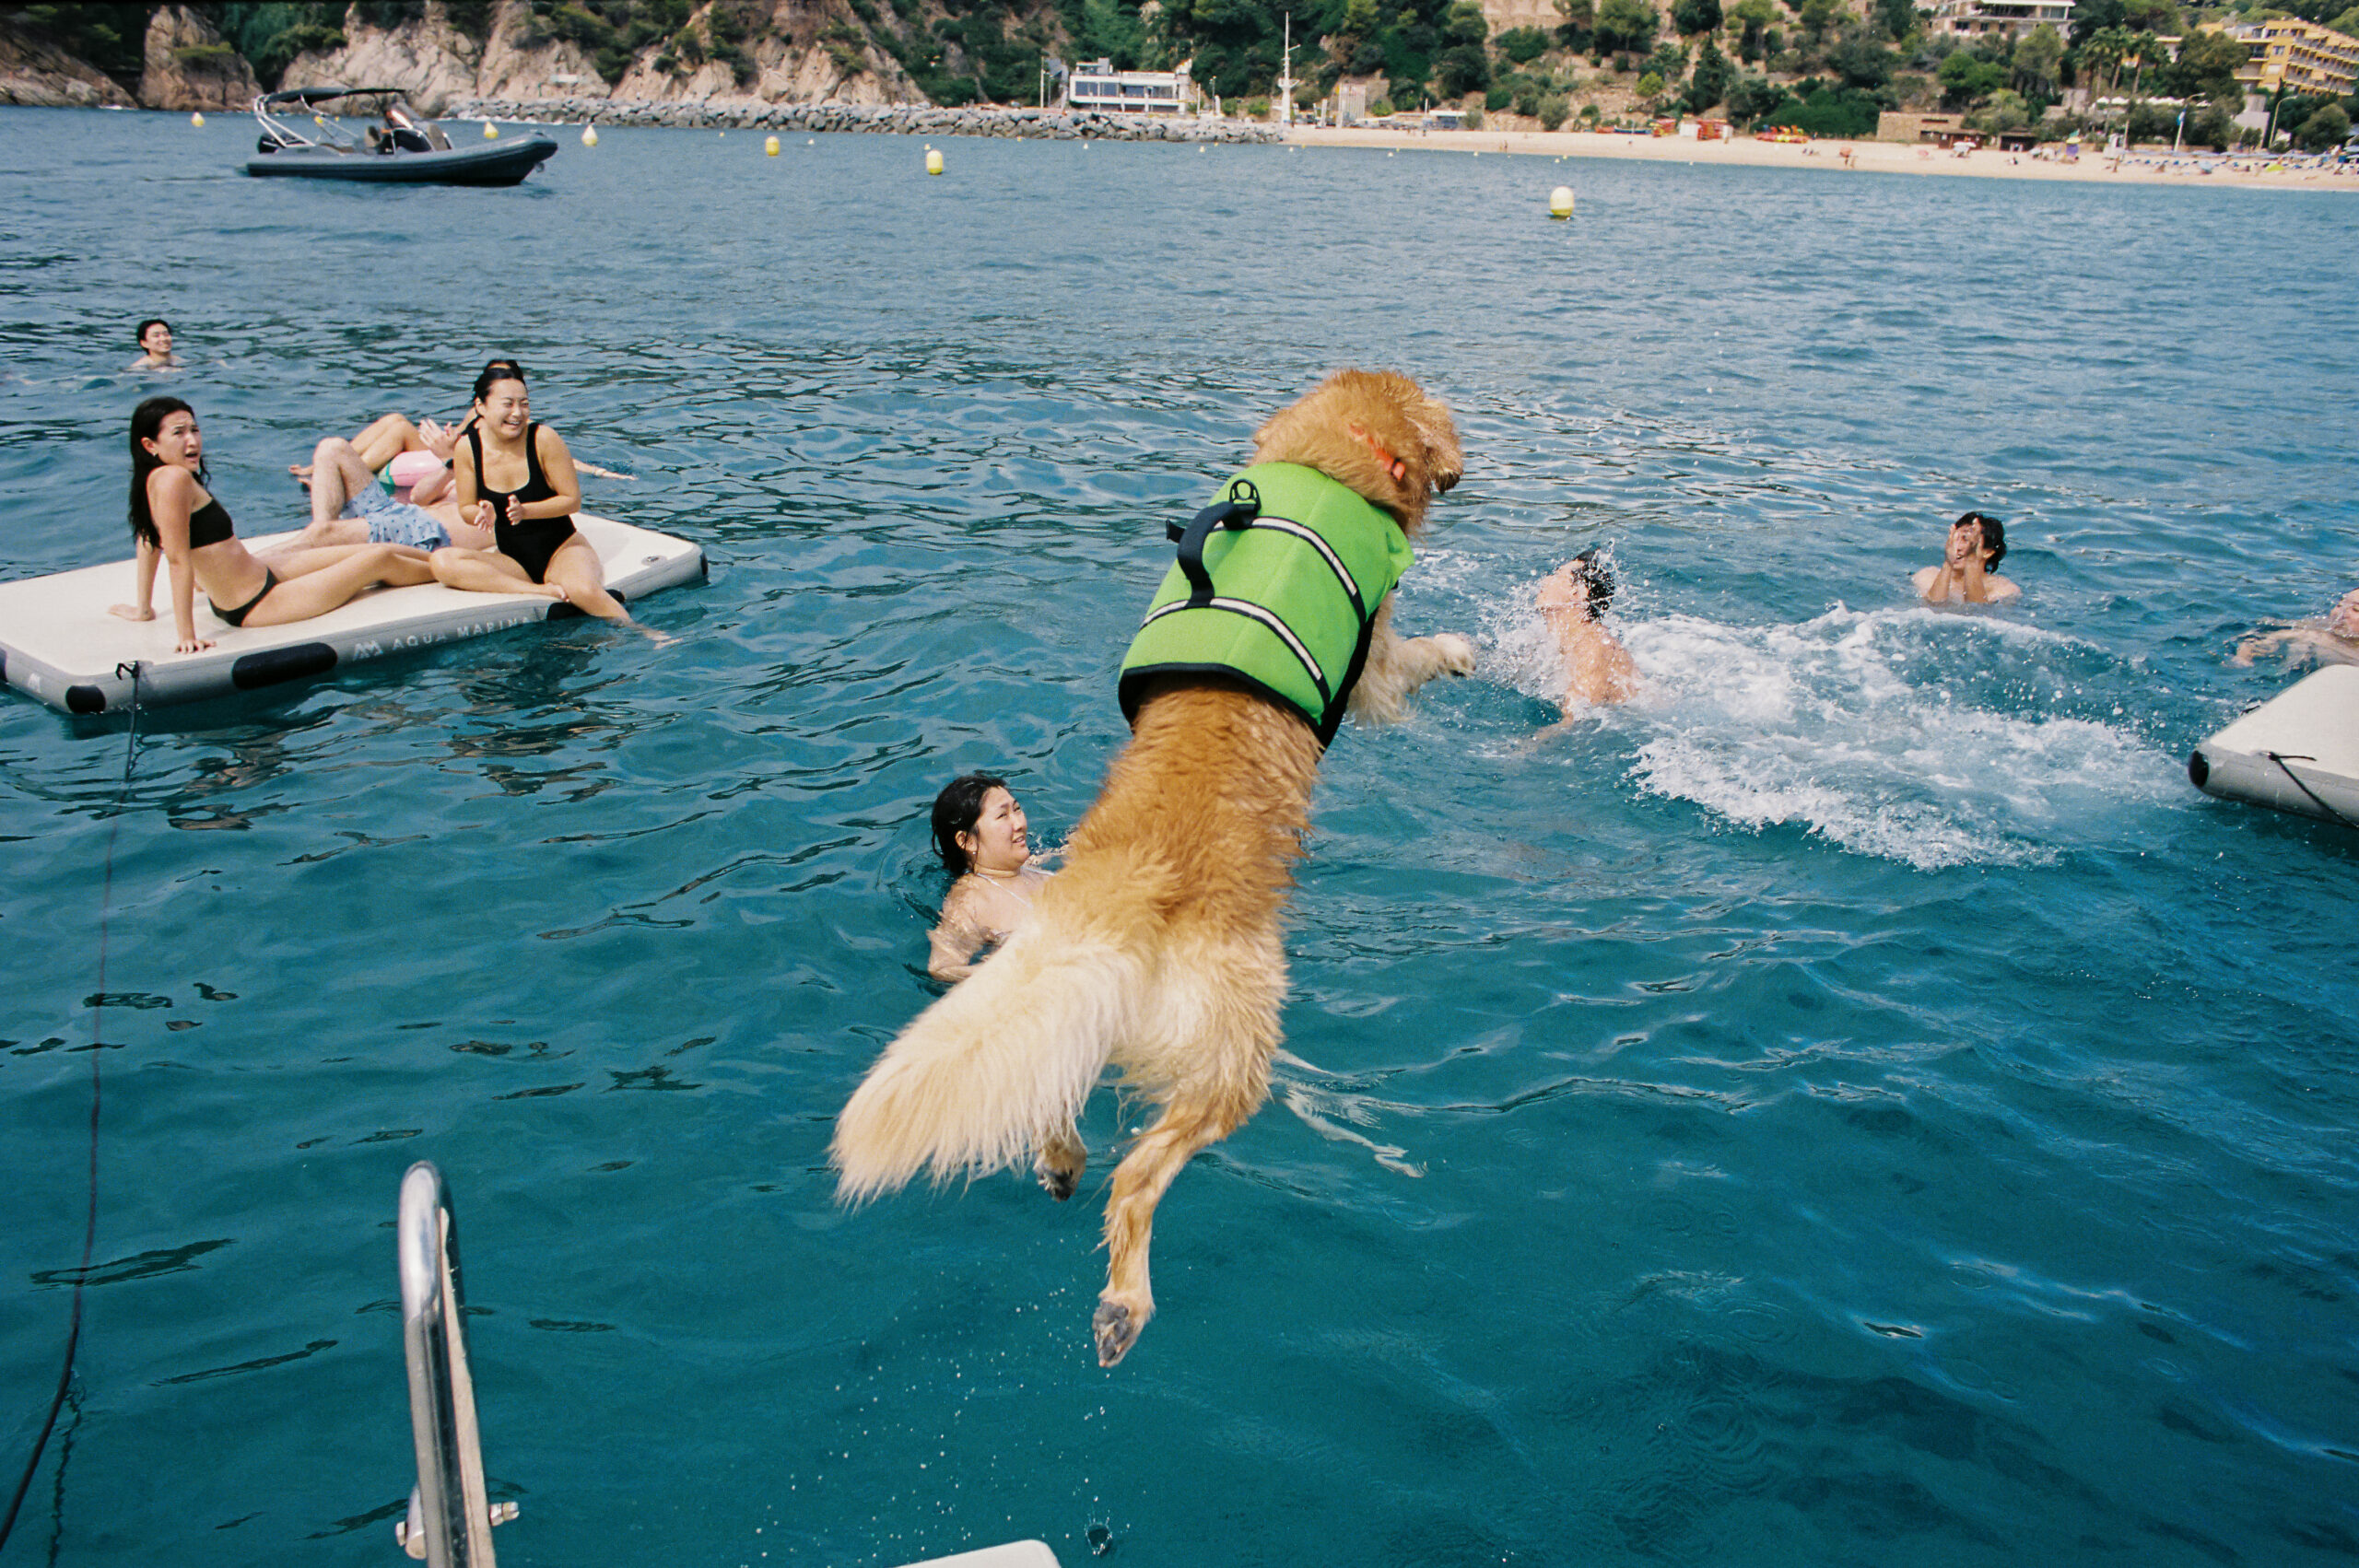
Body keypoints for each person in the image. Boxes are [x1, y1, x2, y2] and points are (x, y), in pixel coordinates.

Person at [109, 397, 435, 655]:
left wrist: (144, 609)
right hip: (257, 604)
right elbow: (177, 559)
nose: (192, 440)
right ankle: (448, 568)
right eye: (178, 433)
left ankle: (443, 558)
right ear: (150, 445)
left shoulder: (156, 478)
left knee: (377, 548)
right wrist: (187, 636)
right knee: (379, 560)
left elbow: (148, 539)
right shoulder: (174, 479)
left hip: (258, 574)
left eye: (194, 429)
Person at [428, 363, 635, 623]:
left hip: (561, 549)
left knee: (583, 591)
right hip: (513, 560)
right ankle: (540, 591)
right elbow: (466, 509)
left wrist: (526, 511)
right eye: (508, 404)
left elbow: (572, 501)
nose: (517, 413)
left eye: (524, 404)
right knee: (442, 562)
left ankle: (644, 634)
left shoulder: (543, 439)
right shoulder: (467, 448)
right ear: (481, 406)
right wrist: (482, 513)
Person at [274, 433, 487, 556]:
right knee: (332, 448)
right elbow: (418, 497)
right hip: (400, 513)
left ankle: (263, 567)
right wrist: (451, 464)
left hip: (426, 534)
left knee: (324, 532)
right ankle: (321, 541)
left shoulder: (502, 474)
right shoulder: (474, 458)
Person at [926, 773, 1051, 983]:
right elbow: (941, 968)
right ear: (967, 841)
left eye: (1017, 809)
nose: (1019, 823)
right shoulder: (970, 901)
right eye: (1002, 816)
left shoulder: (1029, 867)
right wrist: (1005, 971)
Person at [1538, 549, 1638, 710]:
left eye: (1558, 575)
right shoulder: (1568, 638)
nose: (1546, 580)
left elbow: (1577, 719)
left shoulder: (1593, 650)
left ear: (1579, 592)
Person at [2233, 588, 2359, 669]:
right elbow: (2255, 643)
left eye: (2356, 609)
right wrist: (2242, 659)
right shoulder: (2315, 635)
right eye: (2339, 605)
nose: (2341, 613)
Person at [1914, 510, 2019, 604]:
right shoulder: (1927, 575)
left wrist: (1972, 560)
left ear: (1987, 552)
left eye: (1966, 539)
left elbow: (1978, 613)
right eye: (1956, 538)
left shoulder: (2004, 589)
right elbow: (1933, 606)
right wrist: (1948, 563)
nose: (1957, 547)